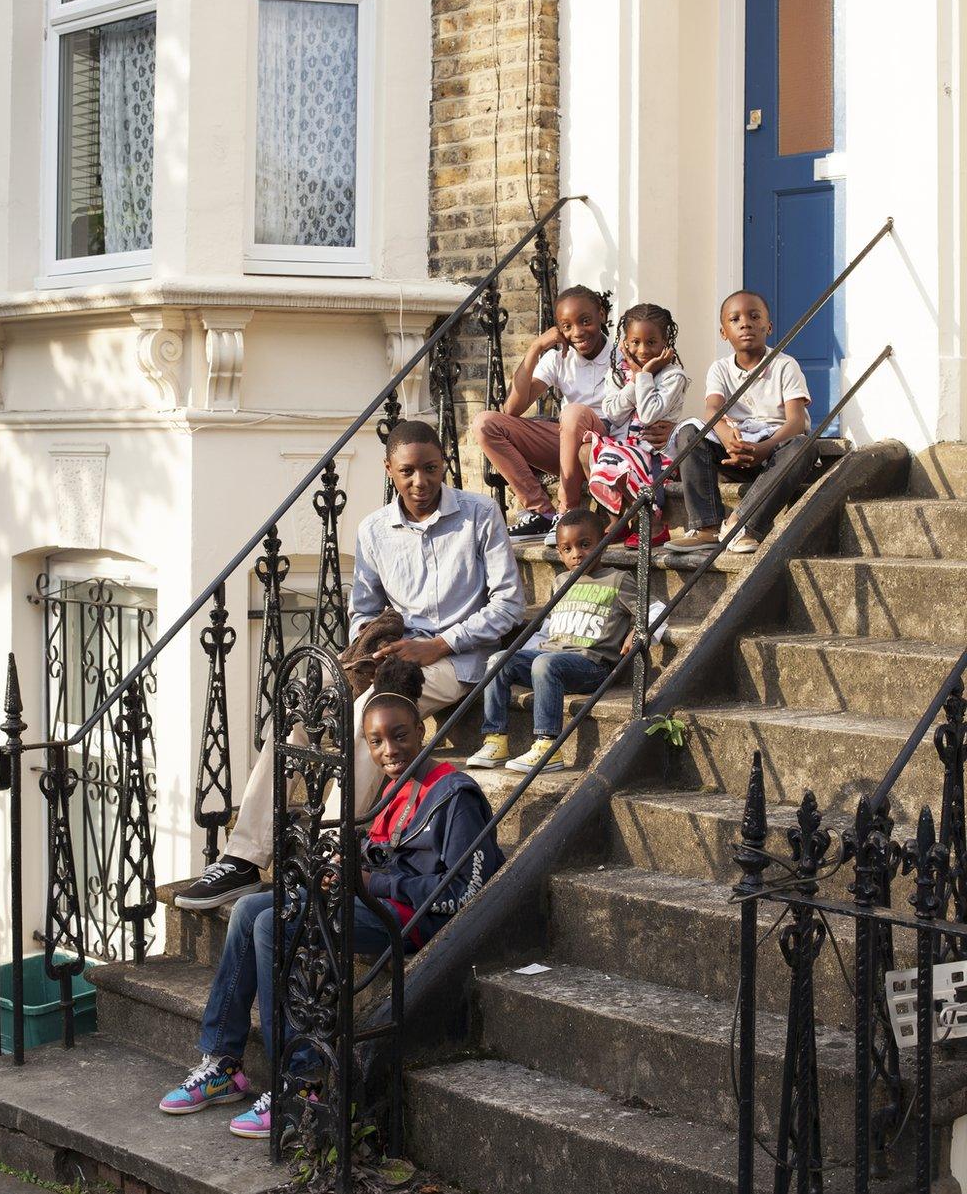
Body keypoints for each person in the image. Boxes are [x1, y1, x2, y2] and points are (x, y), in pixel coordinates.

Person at [174, 420, 525, 910]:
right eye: (407, 471)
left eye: (430, 468)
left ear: (444, 463)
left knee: (367, 717)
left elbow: (509, 605)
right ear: (389, 470)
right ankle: (244, 859)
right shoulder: (374, 529)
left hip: (458, 660)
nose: (420, 481)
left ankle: (332, 857)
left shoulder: (480, 514)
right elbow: (363, 608)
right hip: (391, 655)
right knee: (303, 717)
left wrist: (439, 644)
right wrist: (375, 640)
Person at [159, 658, 505, 1140]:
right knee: (248, 908)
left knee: (273, 924)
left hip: (410, 921)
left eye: (400, 736)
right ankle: (222, 1061)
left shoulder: (453, 794)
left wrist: (370, 881)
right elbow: (378, 853)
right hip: (372, 902)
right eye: (377, 741)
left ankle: (301, 1083)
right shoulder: (395, 791)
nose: (390, 750)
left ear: (422, 730)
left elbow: (465, 891)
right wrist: (338, 871)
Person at [473, 286, 674, 548]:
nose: (577, 332)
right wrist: (535, 348)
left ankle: (566, 511)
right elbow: (512, 409)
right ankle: (541, 511)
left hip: (609, 445)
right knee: (485, 423)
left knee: (572, 412)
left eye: (585, 321)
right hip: (570, 442)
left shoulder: (625, 353)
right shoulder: (558, 359)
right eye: (566, 326)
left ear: (601, 315)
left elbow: (658, 392)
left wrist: (671, 428)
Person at [466, 508, 645, 774]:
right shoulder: (561, 581)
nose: (577, 554)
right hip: (551, 660)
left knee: (544, 664)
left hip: (591, 665)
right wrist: (517, 657)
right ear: (559, 553)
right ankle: (495, 739)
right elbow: (547, 629)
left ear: (603, 543)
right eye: (567, 549)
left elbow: (653, 608)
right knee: (497, 660)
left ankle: (547, 747)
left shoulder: (618, 579)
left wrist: (638, 629)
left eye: (585, 545)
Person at [666, 290, 817, 555]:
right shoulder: (720, 368)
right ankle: (707, 527)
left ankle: (742, 524)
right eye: (734, 319)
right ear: (724, 332)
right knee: (689, 431)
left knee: (804, 445)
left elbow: (795, 422)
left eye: (754, 316)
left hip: (775, 450)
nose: (745, 323)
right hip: (735, 451)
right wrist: (726, 437)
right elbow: (712, 408)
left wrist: (765, 448)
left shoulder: (785, 365)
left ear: (767, 327)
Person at [580, 303, 688, 550]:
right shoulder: (618, 374)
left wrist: (645, 375)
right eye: (635, 342)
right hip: (626, 445)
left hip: (656, 453)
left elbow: (650, 414)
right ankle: (616, 519)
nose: (643, 349)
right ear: (625, 344)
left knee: (616, 457)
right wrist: (636, 379)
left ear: (665, 343)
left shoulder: (673, 376)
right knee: (586, 451)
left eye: (652, 342)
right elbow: (614, 414)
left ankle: (653, 523)